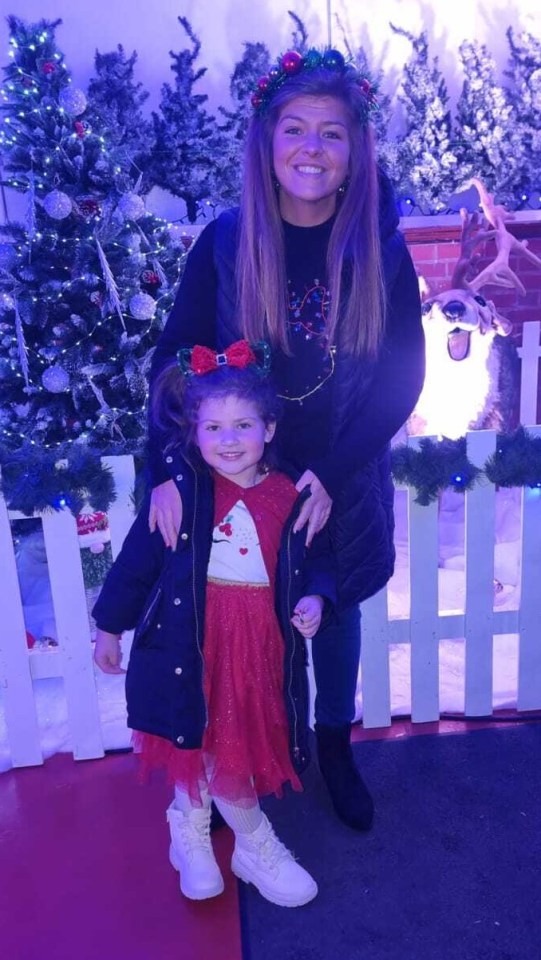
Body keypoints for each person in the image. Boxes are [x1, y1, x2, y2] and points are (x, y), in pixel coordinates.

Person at [146, 47, 425, 831]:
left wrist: (333, 473)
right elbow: (173, 358)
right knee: (248, 622)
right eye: (294, 128)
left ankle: (333, 743)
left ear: (355, 150)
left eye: (331, 133)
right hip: (245, 474)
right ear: (266, 143)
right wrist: (169, 462)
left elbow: (404, 376)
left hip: (344, 468)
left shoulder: (382, 246)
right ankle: (251, 755)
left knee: (331, 618)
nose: (311, 148)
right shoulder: (228, 242)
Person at [93, 345, 336, 907]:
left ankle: (229, 839)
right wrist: (109, 626)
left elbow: (318, 560)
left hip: (257, 646)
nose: (229, 440)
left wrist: (318, 598)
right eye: (214, 427)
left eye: (244, 425)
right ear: (195, 433)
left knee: (232, 738)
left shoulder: (290, 494)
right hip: (191, 643)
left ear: (269, 428)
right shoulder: (182, 494)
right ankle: (217, 836)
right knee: (193, 735)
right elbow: (137, 563)